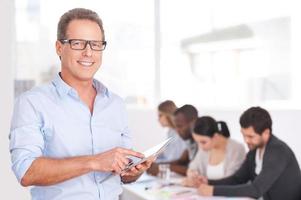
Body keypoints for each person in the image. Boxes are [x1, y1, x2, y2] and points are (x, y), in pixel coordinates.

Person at [9, 8, 153, 200]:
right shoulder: (32, 103)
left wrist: (133, 171)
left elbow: (121, 175)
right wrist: (94, 162)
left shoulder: (115, 104)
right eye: (78, 43)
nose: (88, 52)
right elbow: (26, 172)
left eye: (95, 44)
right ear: (59, 48)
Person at [198, 107, 301, 200]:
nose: (246, 140)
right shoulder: (254, 151)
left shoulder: (278, 151)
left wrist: (213, 191)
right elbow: (237, 179)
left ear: (266, 133)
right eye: (244, 135)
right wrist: (208, 182)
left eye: (250, 136)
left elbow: (256, 189)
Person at [182, 116, 246, 187]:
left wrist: (203, 183)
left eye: (203, 142)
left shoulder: (237, 149)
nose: (200, 146)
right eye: (197, 142)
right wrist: (192, 174)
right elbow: (193, 167)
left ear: (215, 136)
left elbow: (231, 181)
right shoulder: (205, 149)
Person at [148, 104, 199, 176]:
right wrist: (154, 165)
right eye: (176, 127)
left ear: (193, 122)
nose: (177, 131)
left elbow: (195, 171)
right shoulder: (189, 141)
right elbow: (181, 161)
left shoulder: (201, 142)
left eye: (180, 126)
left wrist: (162, 167)